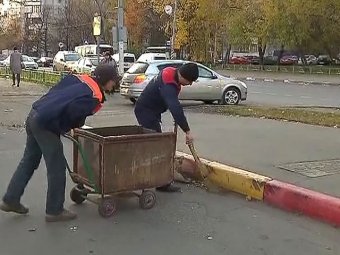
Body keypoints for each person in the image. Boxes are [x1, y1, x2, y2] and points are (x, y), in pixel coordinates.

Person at [0, 64, 121, 222]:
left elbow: (57, 93)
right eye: (113, 81)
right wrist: (68, 127)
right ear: (106, 79)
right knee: (56, 167)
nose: (114, 85)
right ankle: (54, 210)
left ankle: (11, 199)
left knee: (29, 160)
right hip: (46, 124)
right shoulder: (93, 95)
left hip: (35, 115)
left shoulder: (80, 79)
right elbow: (73, 113)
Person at [134, 62, 199, 192]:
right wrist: (187, 130)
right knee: (159, 148)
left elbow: (171, 103)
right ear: (183, 76)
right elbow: (175, 107)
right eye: (190, 81)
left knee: (156, 146)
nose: (190, 84)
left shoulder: (171, 73)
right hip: (146, 113)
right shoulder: (169, 84)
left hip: (151, 112)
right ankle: (160, 182)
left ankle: (156, 178)